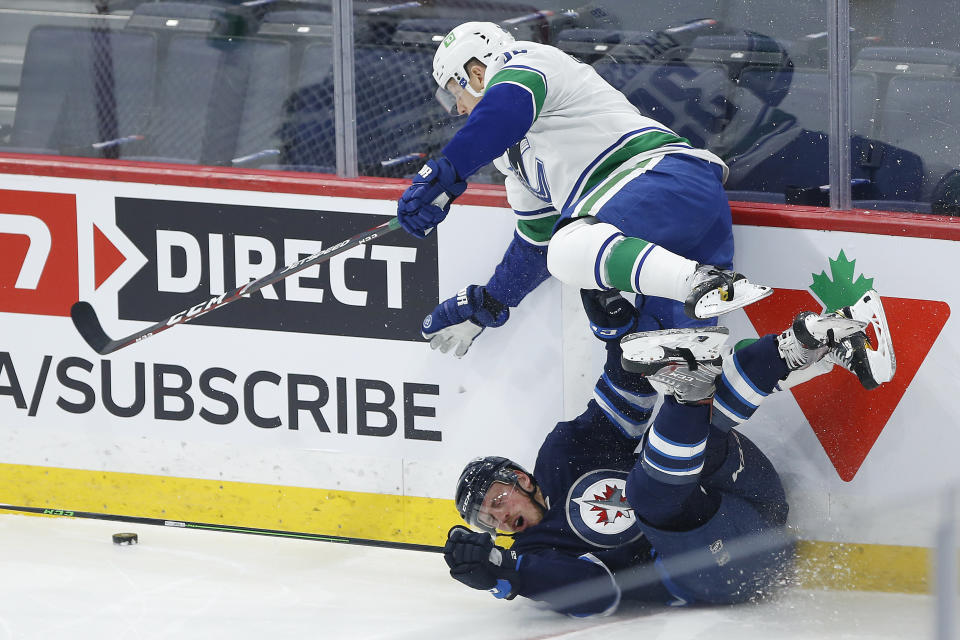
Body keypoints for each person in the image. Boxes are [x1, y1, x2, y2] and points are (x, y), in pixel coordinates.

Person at [442, 288, 895, 615]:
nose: (499, 519)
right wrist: (508, 572)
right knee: (651, 488)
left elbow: (628, 396)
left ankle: (816, 339)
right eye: (486, 520)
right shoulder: (534, 555)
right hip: (727, 570)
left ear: (520, 478)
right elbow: (597, 592)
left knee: (693, 435)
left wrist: (617, 338)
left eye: (496, 501)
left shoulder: (563, 454)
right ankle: (693, 391)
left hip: (751, 499)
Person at [397, 21, 774, 358]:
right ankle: (734, 318)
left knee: (567, 253)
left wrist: (443, 172)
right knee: (679, 375)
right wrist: (492, 303)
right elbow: (536, 243)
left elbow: (505, 108)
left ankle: (704, 283)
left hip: (662, 179)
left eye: (453, 93)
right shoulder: (509, 156)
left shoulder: (525, 59)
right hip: (666, 222)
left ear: (475, 73)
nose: (458, 109)